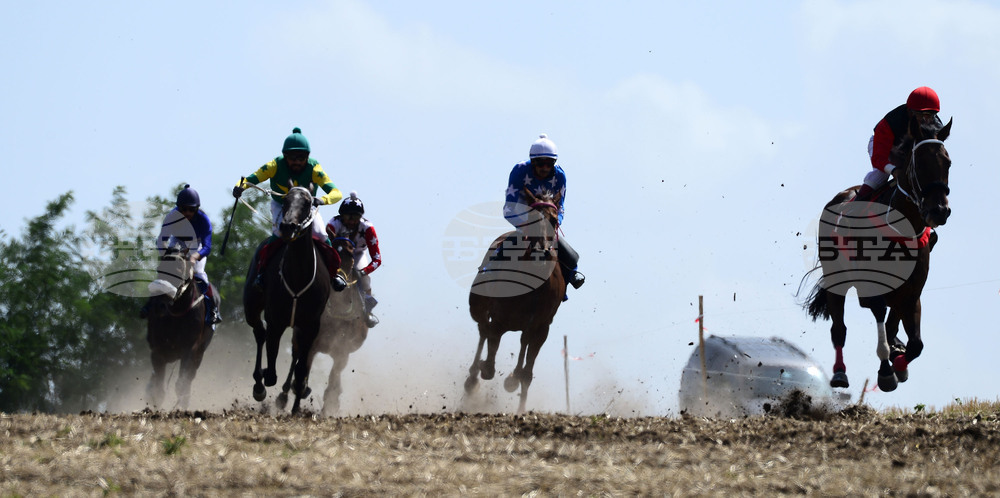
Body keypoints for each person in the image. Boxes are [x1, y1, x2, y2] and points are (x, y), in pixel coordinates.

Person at [232, 127, 347, 292]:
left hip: (307, 207)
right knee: (279, 233)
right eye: (292, 158)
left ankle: (334, 273)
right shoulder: (273, 165)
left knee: (321, 234)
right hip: (282, 205)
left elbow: (336, 193)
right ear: (285, 156)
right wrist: (239, 188)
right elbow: (248, 180)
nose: (297, 162)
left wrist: (322, 200)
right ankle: (262, 272)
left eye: (301, 158)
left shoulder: (315, 168)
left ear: (307, 157)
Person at [503, 133, 585, 291]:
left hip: (548, 212)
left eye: (549, 164)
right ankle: (489, 267)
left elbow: (560, 207)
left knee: (571, 257)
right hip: (522, 207)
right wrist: (527, 224)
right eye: (540, 164)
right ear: (533, 162)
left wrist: (553, 222)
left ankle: (571, 274)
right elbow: (509, 206)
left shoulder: (560, 176)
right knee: (518, 239)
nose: (545, 168)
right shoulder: (519, 170)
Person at [140, 184, 221, 325]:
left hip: (197, 245)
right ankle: (150, 305)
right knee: (165, 272)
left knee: (199, 273)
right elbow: (161, 239)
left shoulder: (204, 220)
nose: (187, 213)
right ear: (179, 208)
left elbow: (207, 246)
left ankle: (212, 310)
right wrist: (165, 254)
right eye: (184, 209)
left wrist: (195, 257)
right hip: (177, 242)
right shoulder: (171, 217)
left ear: (196, 209)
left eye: (192, 209)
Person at [856, 86, 944, 201]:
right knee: (881, 174)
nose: (926, 121)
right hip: (885, 148)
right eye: (921, 115)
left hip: (907, 153)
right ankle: (854, 208)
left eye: (930, 115)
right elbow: (878, 159)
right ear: (910, 111)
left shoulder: (936, 127)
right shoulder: (890, 123)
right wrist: (894, 170)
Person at [326, 192, 382, 328]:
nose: (351, 221)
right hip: (337, 255)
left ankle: (367, 312)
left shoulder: (368, 228)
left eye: (355, 217)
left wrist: (363, 272)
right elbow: (325, 246)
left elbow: (377, 259)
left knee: (365, 280)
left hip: (357, 255)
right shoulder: (333, 224)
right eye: (348, 216)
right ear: (341, 216)